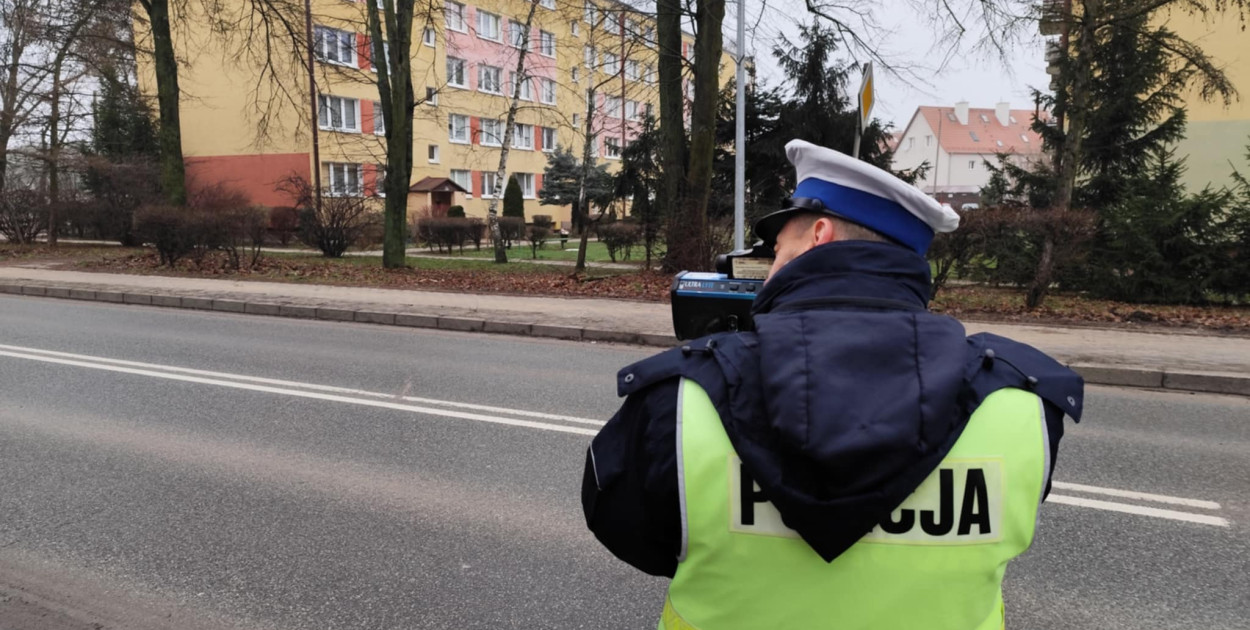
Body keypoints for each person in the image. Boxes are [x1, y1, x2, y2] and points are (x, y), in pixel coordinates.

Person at [581, 139, 1084, 630]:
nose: (769, 269)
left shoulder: (680, 398)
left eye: (777, 250)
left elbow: (629, 532)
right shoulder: (1023, 400)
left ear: (818, 234)